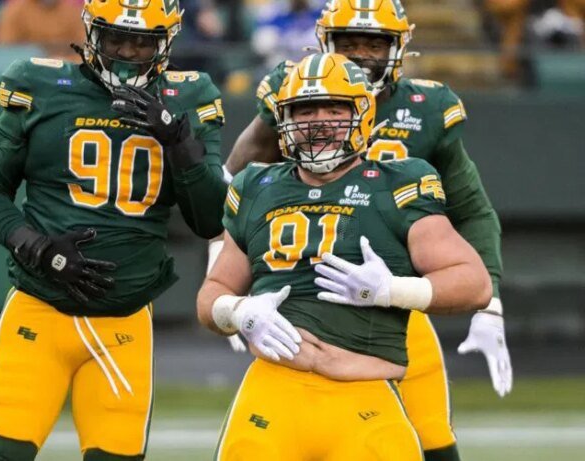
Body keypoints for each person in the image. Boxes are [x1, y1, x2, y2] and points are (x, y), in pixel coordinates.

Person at [215, 1, 513, 460]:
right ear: (323, 44)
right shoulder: (291, 94)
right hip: (301, 294)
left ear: (399, 46)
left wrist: (487, 304)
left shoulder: (426, 109)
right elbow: (230, 189)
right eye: (348, 43)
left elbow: (472, 210)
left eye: (373, 44)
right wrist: (228, 297)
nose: (360, 55)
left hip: (388, 296)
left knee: (430, 434)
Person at [0, 0, 227, 459]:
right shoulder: (42, 87)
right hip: (38, 308)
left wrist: (178, 142)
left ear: (165, 43)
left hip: (123, 323)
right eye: (115, 38)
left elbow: (209, 219)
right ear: (90, 33)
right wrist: (38, 247)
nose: (126, 53)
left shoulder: (186, 98)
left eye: (141, 42)